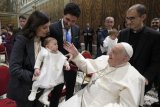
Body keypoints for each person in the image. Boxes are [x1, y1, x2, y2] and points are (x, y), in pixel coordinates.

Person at [59, 41, 145, 107]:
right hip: (82, 98)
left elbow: (126, 105)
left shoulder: (133, 77)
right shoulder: (105, 59)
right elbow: (87, 66)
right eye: (111, 51)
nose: (109, 54)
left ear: (125, 58)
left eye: (114, 53)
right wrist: (76, 54)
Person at [118, 4, 160, 106]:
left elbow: (156, 61)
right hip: (122, 77)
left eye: (132, 18)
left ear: (143, 17)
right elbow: (118, 54)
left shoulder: (154, 36)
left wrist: (146, 78)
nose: (128, 22)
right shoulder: (123, 33)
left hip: (141, 79)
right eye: (127, 18)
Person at [7, 10, 50, 107]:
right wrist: (35, 76)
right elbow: (14, 68)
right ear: (35, 26)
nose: (48, 30)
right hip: (24, 89)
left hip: (40, 88)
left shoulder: (43, 39)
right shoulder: (22, 39)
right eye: (44, 27)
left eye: (48, 27)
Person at [49, 2, 81, 107]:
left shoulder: (76, 29)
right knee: (56, 93)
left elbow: (77, 46)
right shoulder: (52, 28)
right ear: (63, 15)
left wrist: (75, 54)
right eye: (67, 19)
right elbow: (47, 49)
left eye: (73, 21)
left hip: (71, 66)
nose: (69, 23)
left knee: (70, 91)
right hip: (57, 67)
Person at [28, 37, 70, 106]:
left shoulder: (58, 52)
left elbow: (63, 59)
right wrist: (37, 68)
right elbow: (39, 60)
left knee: (51, 86)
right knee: (37, 81)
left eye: (57, 44)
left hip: (54, 74)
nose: (57, 45)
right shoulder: (44, 51)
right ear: (47, 46)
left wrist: (67, 64)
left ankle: (44, 96)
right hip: (45, 71)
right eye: (55, 44)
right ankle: (33, 92)